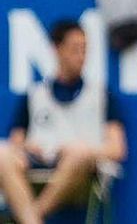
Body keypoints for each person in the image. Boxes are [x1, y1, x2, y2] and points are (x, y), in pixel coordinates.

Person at [0, 21, 126, 224]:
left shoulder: (101, 95)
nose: (81, 56)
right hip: (37, 166)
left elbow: (117, 148)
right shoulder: (34, 95)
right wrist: (28, 147)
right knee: (1, 153)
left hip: (82, 171)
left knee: (79, 154)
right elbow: (16, 142)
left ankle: (29, 218)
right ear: (56, 49)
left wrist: (82, 151)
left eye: (84, 49)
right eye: (74, 49)